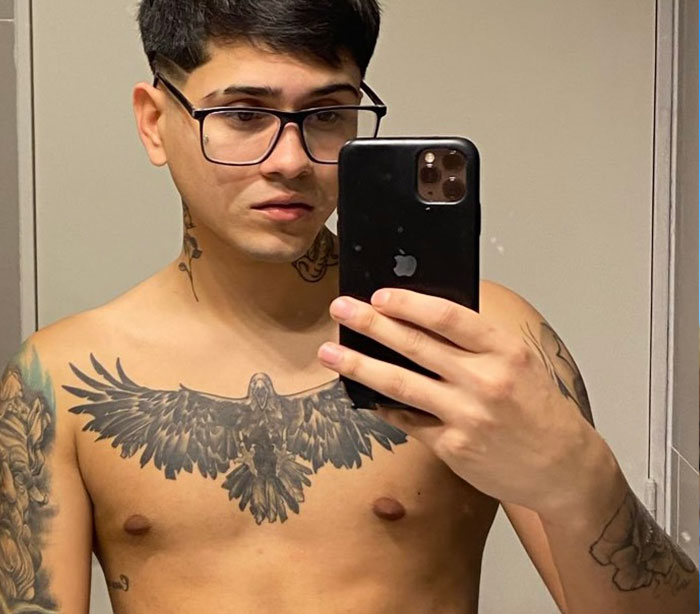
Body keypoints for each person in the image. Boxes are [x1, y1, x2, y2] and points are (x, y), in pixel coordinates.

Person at [1, 1, 697, 612]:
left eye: (328, 115)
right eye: (243, 115)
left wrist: (584, 482)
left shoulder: (479, 341)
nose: (291, 160)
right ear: (154, 122)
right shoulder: (59, 378)